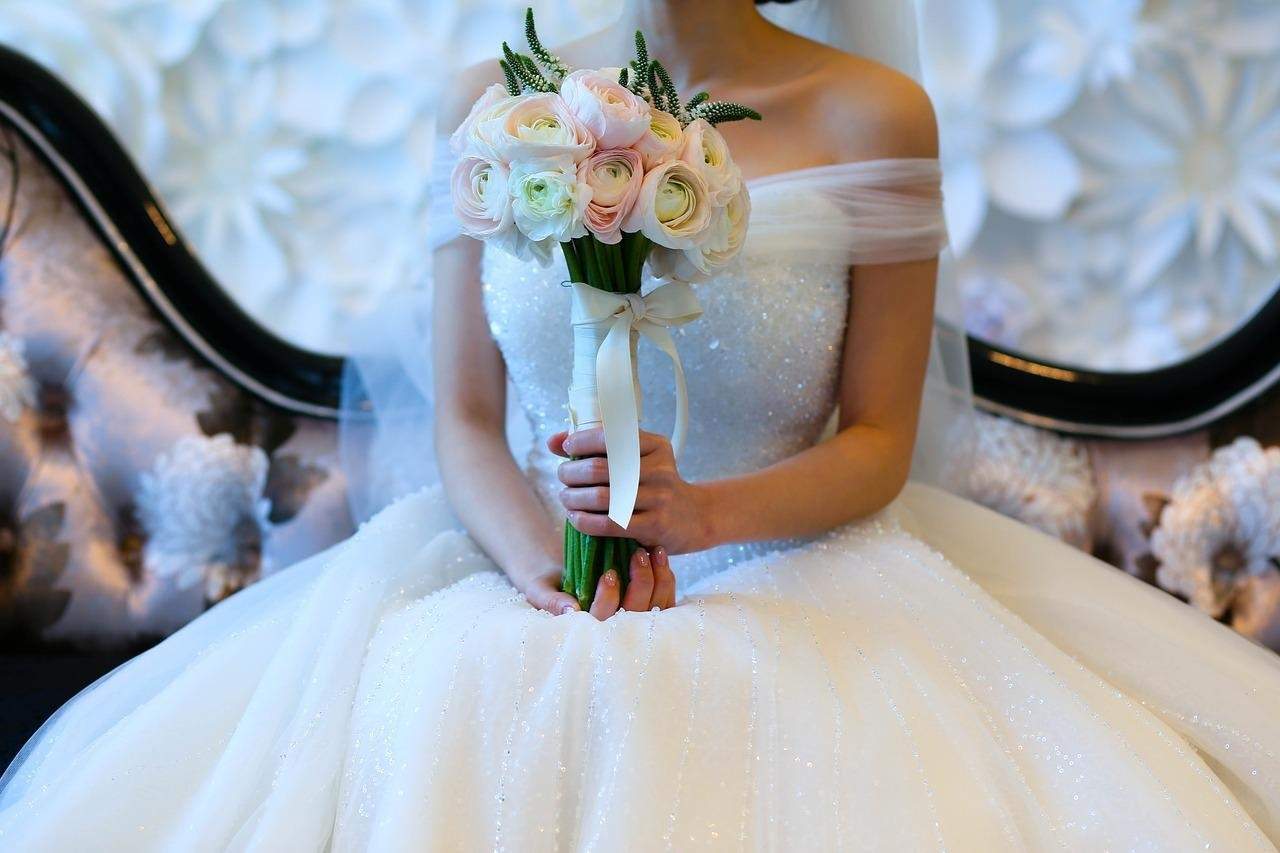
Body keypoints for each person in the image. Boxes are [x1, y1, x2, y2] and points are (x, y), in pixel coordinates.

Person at [2, 1, 1278, 849]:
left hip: (798, 570)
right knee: (442, 699)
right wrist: (541, 577)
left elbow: (878, 439)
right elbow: (461, 415)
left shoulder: (869, 112)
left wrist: (704, 513)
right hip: (524, 569)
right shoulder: (500, 110)